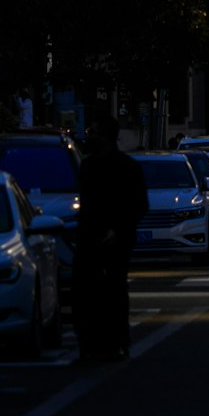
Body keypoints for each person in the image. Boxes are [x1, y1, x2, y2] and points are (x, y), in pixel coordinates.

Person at [72, 113, 149, 363]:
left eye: (94, 132)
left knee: (115, 290)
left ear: (106, 136)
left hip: (118, 239)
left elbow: (139, 205)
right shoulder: (87, 166)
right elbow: (86, 206)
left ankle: (117, 342)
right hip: (89, 238)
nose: (89, 136)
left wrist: (117, 230)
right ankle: (89, 344)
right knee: (86, 293)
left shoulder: (127, 168)